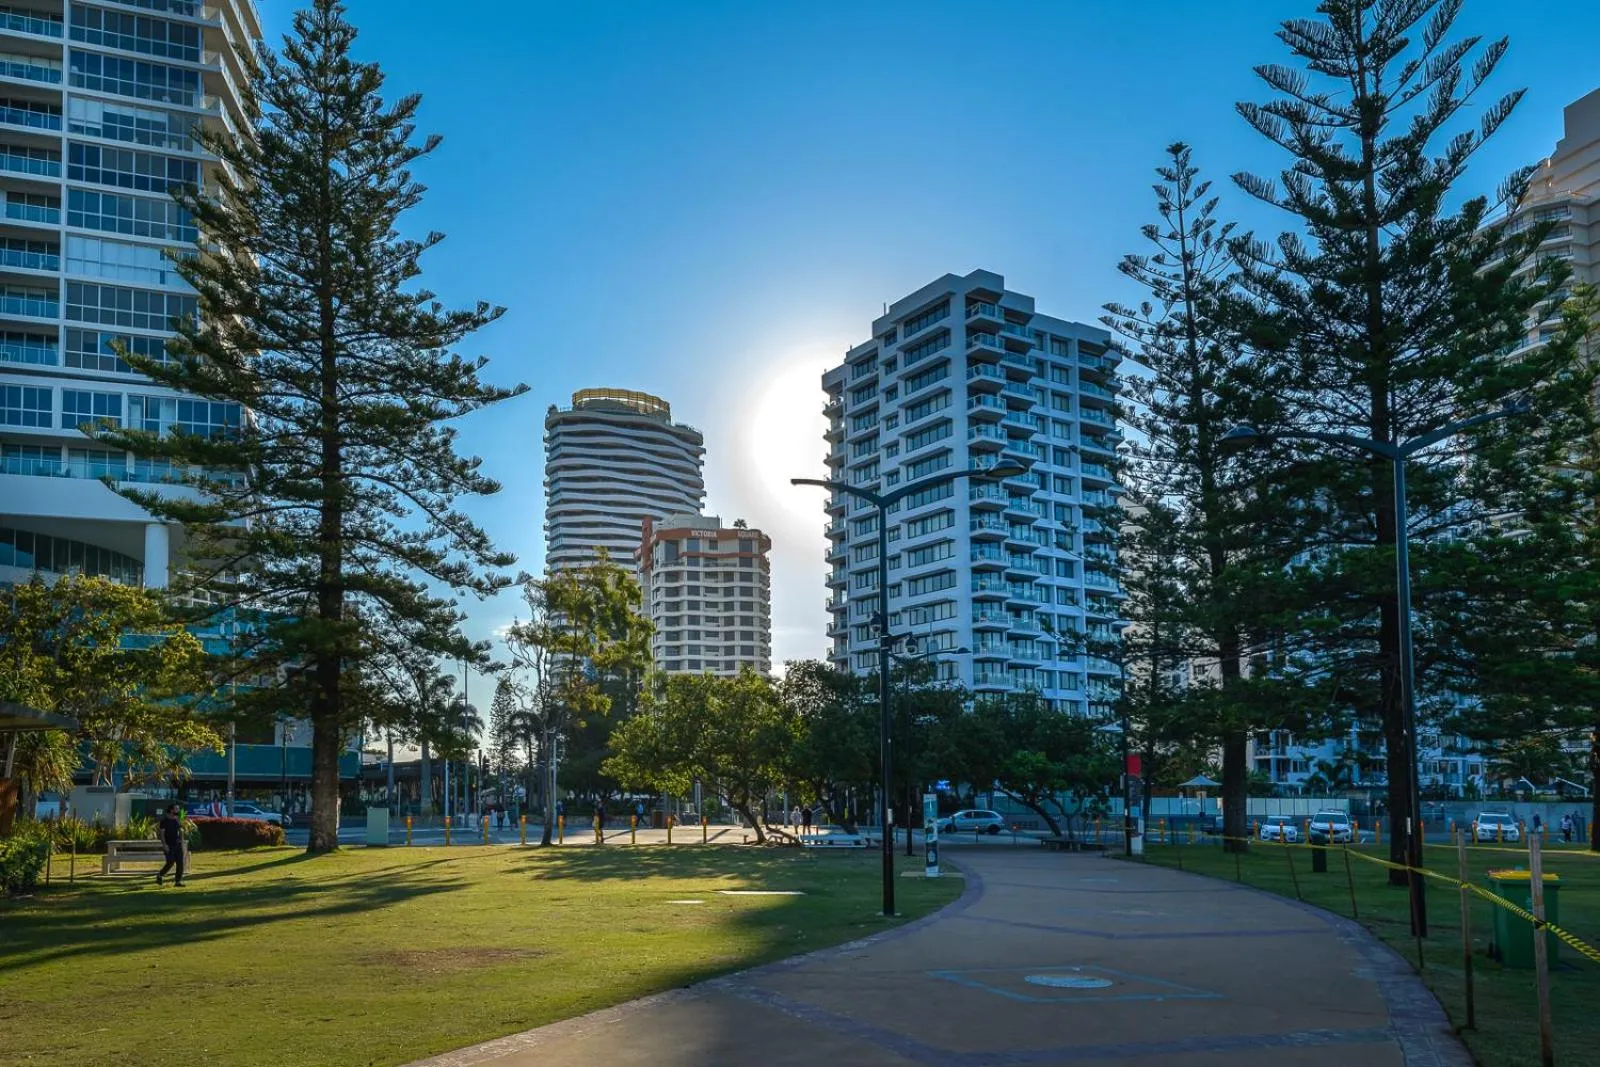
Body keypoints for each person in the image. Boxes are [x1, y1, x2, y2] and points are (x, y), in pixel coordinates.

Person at [156, 805, 185, 887]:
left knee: (180, 863)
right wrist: (164, 845)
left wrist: (181, 842)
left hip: (177, 845)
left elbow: (181, 830)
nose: (178, 810)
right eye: (177, 809)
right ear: (171, 810)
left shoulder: (177, 820)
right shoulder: (164, 821)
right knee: (170, 862)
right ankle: (160, 875)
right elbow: (162, 834)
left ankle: (178, 882)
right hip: (169, 845)